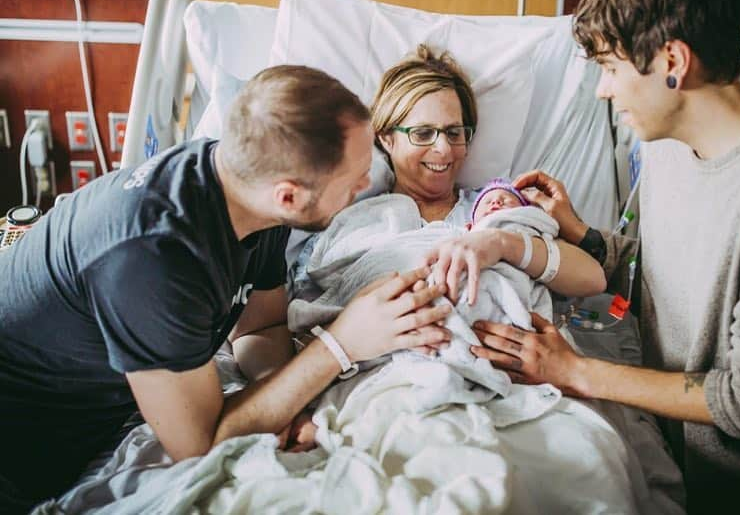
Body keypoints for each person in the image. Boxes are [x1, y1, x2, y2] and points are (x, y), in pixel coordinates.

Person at [469, 0, 740, 514]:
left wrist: (576, 372)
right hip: (685, 454)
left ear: (672, 61)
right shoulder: (670, 145)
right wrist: (584, 236)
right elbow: (667, 274)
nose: (603, 89)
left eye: (611, 68)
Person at [0, 65, 452, 513]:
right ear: (289, 195)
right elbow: (199, 446)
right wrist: (341, 343)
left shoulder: (251, 191)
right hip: (23, 461)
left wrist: (285, 402)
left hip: (98, 414)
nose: (366, 183)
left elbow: (261, 324)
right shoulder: (154, 260)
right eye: (351, 180)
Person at [370, 43, 606, 305]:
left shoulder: (498, 206)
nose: (444, 148)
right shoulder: (360, 221)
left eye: (453, 133)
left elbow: (592, 277)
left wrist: (502, 243)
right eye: (423, 133)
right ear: (387, 139)